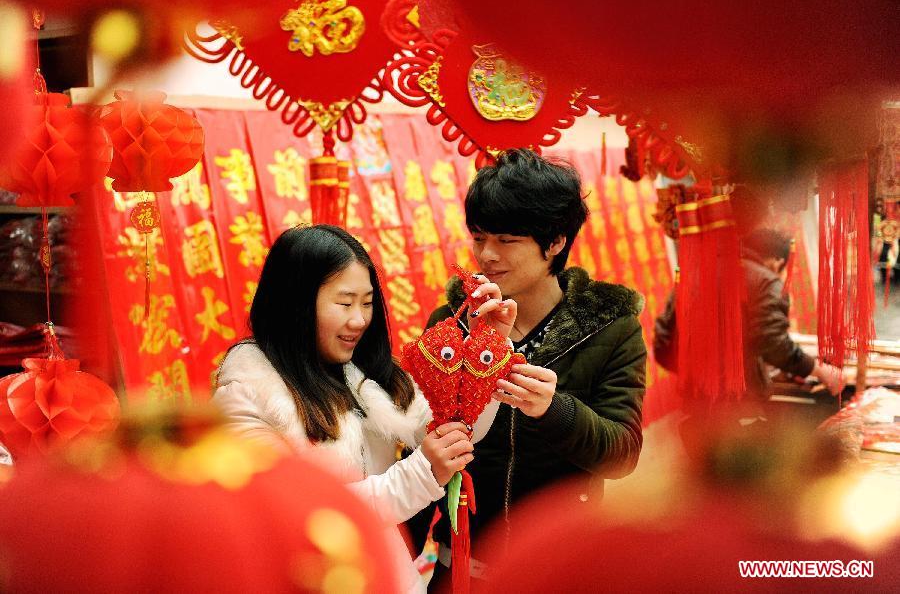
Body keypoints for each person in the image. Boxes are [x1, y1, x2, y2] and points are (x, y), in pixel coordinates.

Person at [212, 224, 515, 593]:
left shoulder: (367, 375)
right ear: (294, 304)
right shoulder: (246, 395)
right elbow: (299, 515)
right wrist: (422, 474)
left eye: (367, 302)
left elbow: (454, 425)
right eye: (344, 303)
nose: (359, 320)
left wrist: (489, 345)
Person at [411, 148, 647, 581]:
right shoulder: (449, 325)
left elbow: (622, 454)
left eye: (507, 240)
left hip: (561, 569)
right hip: (461, 565)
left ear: (555, 242)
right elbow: (420, 447)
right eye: (479, 237)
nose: (486, 255)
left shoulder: (611, 329)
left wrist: (553, 409)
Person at [654, 227, 844, 406]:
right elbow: (773, 342)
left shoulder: (696, 273)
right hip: (739, 406)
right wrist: (819, 370)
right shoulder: (764, 281)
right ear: (777, 262)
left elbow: (663, 342)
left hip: (695, 403)